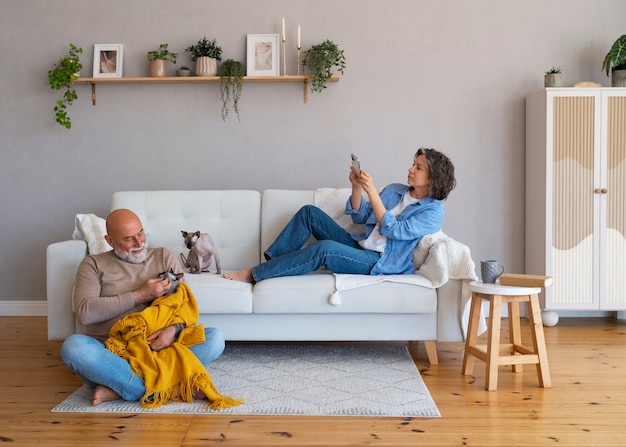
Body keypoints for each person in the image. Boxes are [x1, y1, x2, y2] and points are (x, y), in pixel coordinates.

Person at [61, 209, 225, 406]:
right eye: (129, 239)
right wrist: (140, 295)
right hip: (115, 353)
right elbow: (85, 312)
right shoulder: (93, 264)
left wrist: (173, 330)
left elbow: (185, 305)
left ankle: (123, 388)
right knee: (74, 347)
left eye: (140, 233)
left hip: (162, 348)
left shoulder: (163, 256)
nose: (139, 243)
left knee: (215, 338)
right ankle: (167, 387)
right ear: (110, 241)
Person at [224, 147, 456, 284]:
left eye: (418, 168)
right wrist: (357, 187)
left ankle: (254, 275)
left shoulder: (433, 211)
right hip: (360, 246)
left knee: (324, 248)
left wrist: (372, 191)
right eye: (412, 164)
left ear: (433, 178)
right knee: (309, 213)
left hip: (379, 261)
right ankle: (275, 267)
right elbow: (361, 216)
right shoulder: (396, 190)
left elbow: (394, 230)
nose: (410, 170)